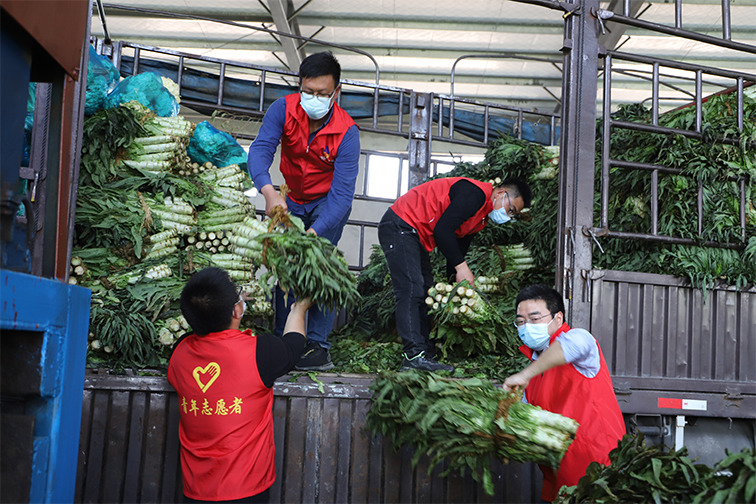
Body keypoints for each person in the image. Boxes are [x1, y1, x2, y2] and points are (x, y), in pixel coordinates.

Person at [247, 51, 360, 372]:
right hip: (291, 198)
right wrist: (268, 191)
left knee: (318, 265)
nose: (314, 99)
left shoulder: (348, 133)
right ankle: (285, 338)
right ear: (300, 85)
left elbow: (341, 196)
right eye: (308, 92)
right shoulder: (282, 109)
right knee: (286, 267)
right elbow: (261, 149)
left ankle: (317, 344)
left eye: (322, 94)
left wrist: (312, 235)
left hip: (328, 204)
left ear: (336, 92)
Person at [167, 267, 311, 503]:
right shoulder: (259, 352)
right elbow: (294, 344)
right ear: (237, 310)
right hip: (247, 490)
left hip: (195, 491)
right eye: (238, 296)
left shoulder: (179, 354)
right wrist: (299, 308)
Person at [378, 176, 531, 372]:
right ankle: (413, 356)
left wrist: (459, 287)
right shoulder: (475, 195)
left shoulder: (481, 218)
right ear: (501, 193)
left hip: (416, 235)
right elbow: (443, 231)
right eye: (510, 210)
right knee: (411, 289)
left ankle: (425, 353)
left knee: (425, 293)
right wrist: (462, 268)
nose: (508, 216)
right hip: (401, 224)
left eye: (513, 215)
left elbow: (456, 251)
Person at [503, 284, 626, 503]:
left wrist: (525, 375)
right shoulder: (531, 373)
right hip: (558, 480)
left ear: (558, 319)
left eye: (534, 318)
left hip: (598, 475)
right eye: (521, 322)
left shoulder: (580, 340)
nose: (526, 327)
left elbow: (572, 346)